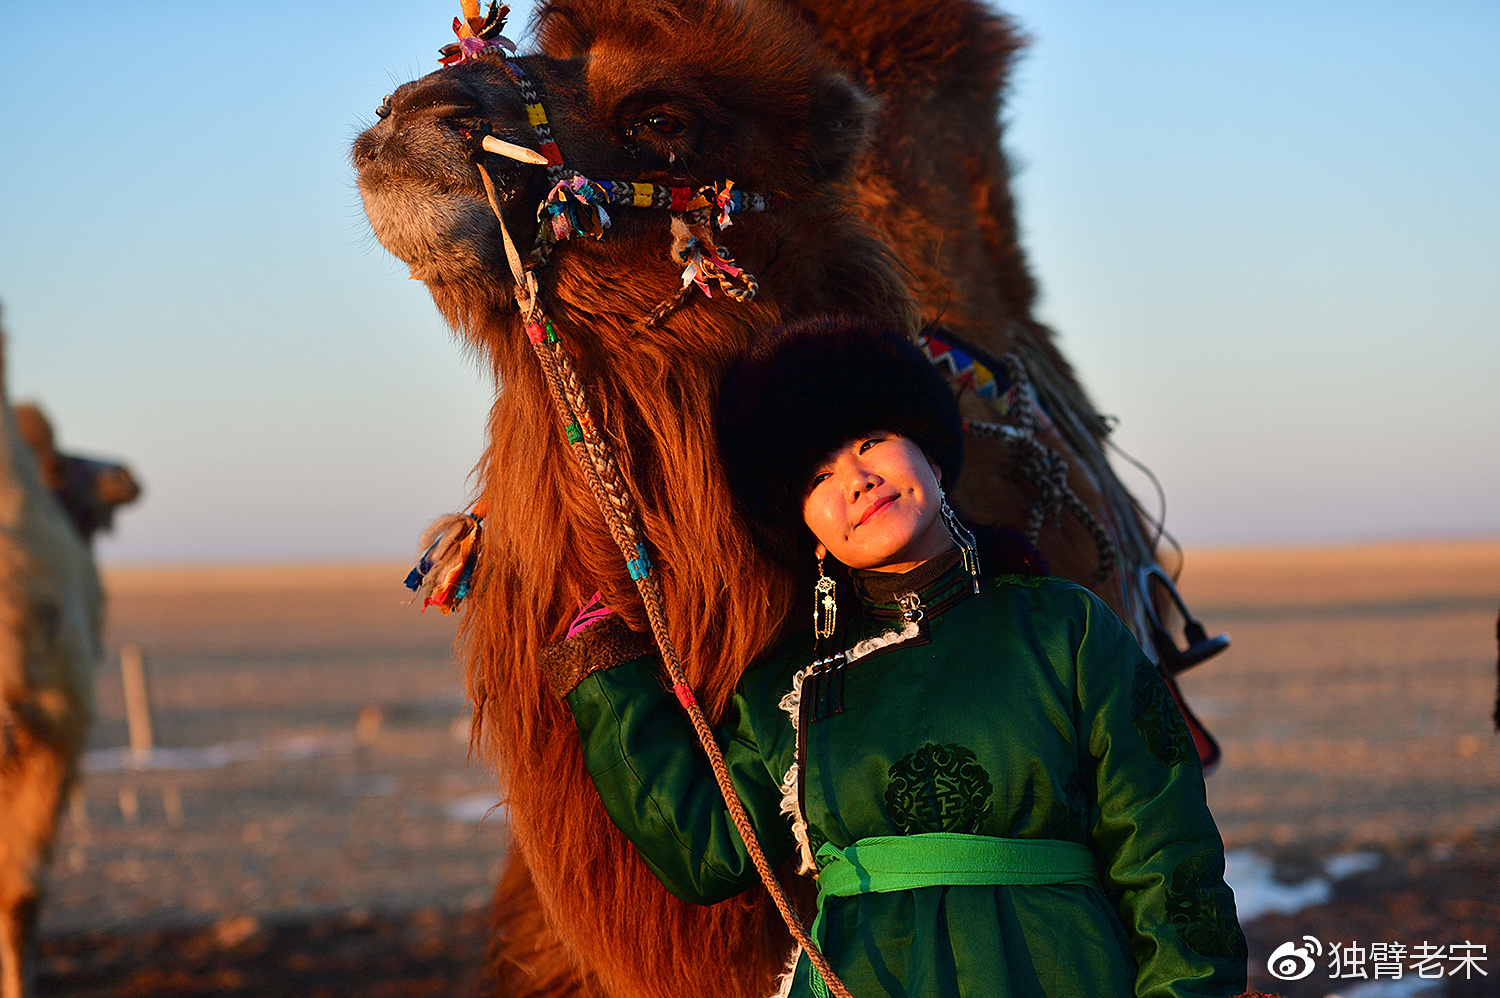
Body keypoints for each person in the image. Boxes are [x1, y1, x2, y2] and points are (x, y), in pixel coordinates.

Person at [543, 316, 1249, 998]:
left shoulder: (1064, 625)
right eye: (817, 477)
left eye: (872, 440)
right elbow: (707, 853)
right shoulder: (788, 688)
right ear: (810, 534)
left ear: (933, 456)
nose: (855, 478)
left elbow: (1164, 847)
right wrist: (609, 681)